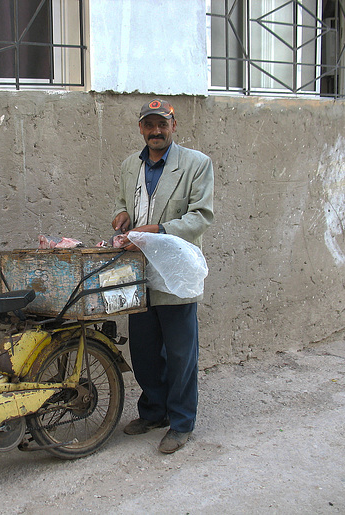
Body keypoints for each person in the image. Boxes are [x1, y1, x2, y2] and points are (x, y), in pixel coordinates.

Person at [112, 99, 214, 454]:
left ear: (174, 125)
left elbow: (200, 216)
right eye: (149, 125)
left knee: (181, 352)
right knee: (143, 350)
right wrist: (122, 215)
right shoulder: (129, 165)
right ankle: (154, 411)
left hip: (175, 271)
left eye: (162, 124)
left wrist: (161, 230)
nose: (156, 131)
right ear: (141, 128)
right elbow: (123, 202)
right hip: (138, 271)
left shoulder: (196, 164)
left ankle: (182, 421)